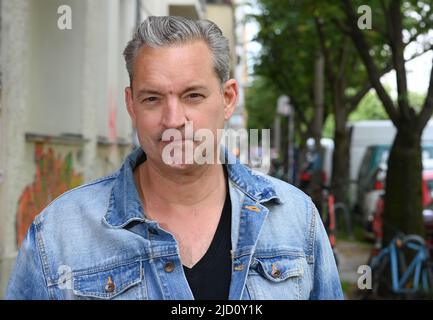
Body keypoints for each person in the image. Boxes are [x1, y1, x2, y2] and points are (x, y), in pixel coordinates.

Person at [6, 16, 343, 300]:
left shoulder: (296, 221)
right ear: (131, 106)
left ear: (227, 99)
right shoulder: (59, 235)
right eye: (152, 98)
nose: (172, 119)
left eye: (192, 95)